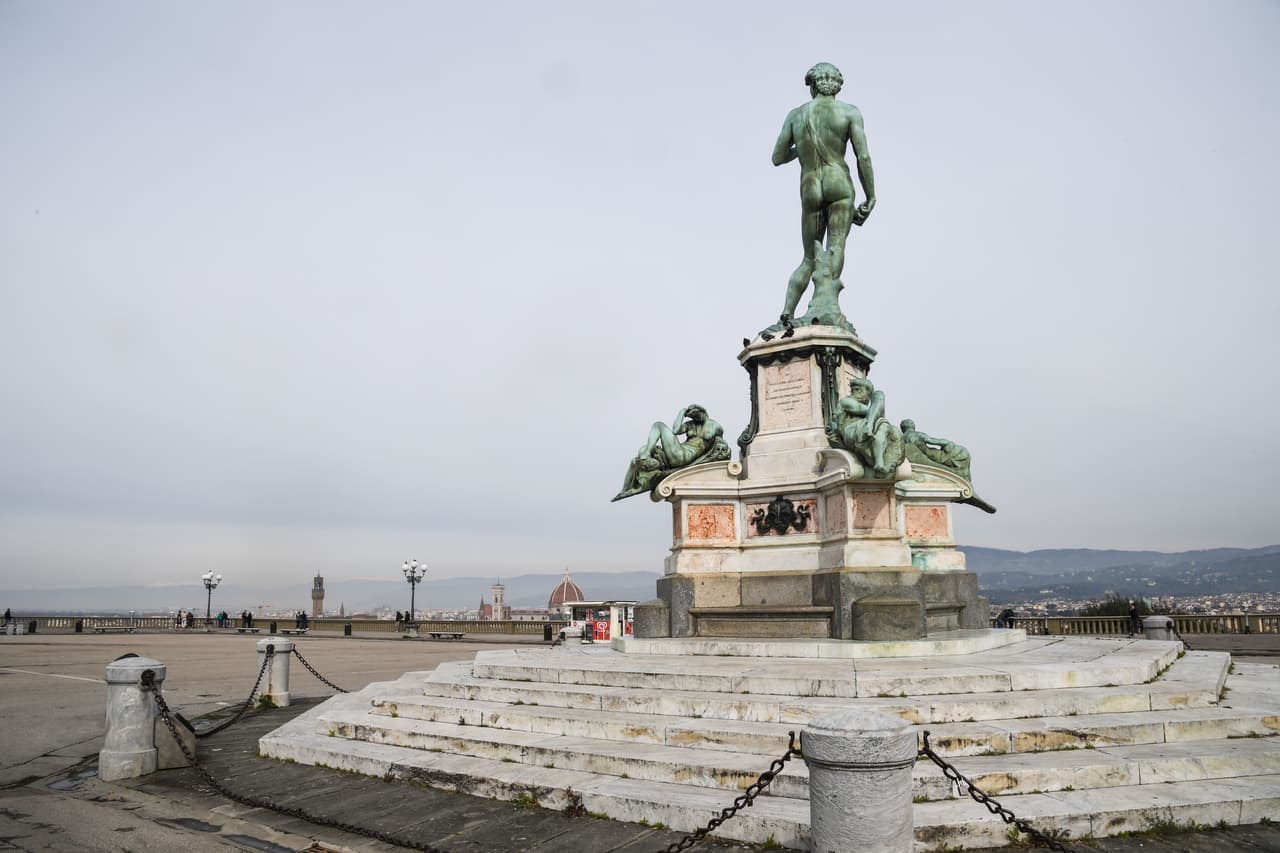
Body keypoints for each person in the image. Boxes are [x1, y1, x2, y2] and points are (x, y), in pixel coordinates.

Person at [772, 62, 875, 326]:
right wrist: (870, 195)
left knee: (808, 257)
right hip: (839, 182)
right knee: (836, 245)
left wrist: (803, 148)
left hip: (810, 186)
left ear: (813, 85)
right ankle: (826, 304)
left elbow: (778, 156)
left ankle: (786, 313)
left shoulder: (796, 115)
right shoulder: (849, 112)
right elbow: (862, 156)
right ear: (837, 84)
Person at [614, 404, 727, 501]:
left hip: (686, 455)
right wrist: (681, 413)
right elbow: (675, 430)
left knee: (659, 425)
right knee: (637, 458)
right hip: (679, 450)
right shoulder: (691, 424)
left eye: (696, 415)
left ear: (703, 413)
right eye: (692, 417)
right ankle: (625, 489)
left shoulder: (715, 426)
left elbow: (715, 440)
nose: (695, 419)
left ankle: (646, 456)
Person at [826, 378, 903, 478]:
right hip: (851, 430)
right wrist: (877, 403)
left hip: (864, 426)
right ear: (859, 390)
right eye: (868, 394)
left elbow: (874, 412)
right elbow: (864, 410)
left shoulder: (861, 407)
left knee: (884, 426)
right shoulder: (847, 401)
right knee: (879, 397)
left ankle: (879, 463)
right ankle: (869, 425)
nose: (868, 398)